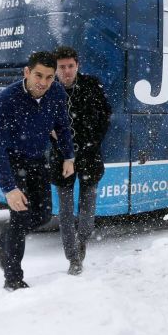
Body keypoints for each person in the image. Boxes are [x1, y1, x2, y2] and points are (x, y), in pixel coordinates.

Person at [0, 51, 74, 291]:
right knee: (20, 218)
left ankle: (1, 242)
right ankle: (13, 278)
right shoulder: (7, 99)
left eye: (49, 77)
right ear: (27, 72)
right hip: (14, 162)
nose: (43, 83)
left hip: (38, 161)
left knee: (44, 215)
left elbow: (62, 125)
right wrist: (9, 188)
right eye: (38, 75)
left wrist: (69, 156)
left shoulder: (56, 92)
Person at [49, 46, 112, 275]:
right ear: (55, 69)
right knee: (65, 213)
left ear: (78, 66)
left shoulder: (91, 86)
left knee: (87, 213)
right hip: (60, 159)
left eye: (70, 66)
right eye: (62, 67)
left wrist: (91, 142)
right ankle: (73, 259)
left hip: (90, 157)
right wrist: (50, 131)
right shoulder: (49, 90)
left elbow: (106, 115)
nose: (66, 71)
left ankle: (82, 241)